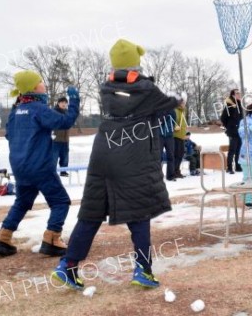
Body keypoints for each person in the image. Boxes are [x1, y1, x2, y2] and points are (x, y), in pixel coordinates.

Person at [52, 38, 180, 290]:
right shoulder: (146, 89)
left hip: (103, 150)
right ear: (136, 63)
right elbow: (171, 104)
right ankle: (143, 270)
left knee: (92, 212)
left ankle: (68, 265)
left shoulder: (106, 87)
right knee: (139, 212)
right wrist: (179, 97)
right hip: (133, 155)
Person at [0, 71, 80, 257]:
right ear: (34, 87)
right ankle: (52, 239)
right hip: (40, 167)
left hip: (20, 167)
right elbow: (64, 121)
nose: (44, 83)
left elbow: (9, 134)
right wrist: (74, 101)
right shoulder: (38, 108)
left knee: (22, 202)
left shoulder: (16, 112)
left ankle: (3, 237)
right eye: (40, 81)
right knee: (60, 201)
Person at [220, 89, 243, 174]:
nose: (239, 95)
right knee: (232, 149)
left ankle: (238, 166)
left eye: (239, 93)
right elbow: (223, 118)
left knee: (239, 149)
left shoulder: (240, 105)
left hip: (240, 131)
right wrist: (229, 126)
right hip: (232, 131)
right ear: (233, 95)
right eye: (237, 93)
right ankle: (229, 167)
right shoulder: (229, 105)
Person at [52, 97, 71, 177]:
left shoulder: (67, 113)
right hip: (55, 139)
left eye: (65, 102)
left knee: (65, 157)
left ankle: (63, 171)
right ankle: (52, 172)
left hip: (65, 139)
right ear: (58, 103)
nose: (64, 104)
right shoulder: (53, 112)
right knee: (53, 157)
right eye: (62, 102)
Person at [160, 108, 177, 181]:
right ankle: (158, 176)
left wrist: (171, 129)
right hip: (159, 135)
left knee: (171, 156)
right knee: (158, 157)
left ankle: (170, 175)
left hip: (169, 136)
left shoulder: (172, 110)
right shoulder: (158, 109)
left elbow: (174, 121)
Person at [173, 99, 187, 179]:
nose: (184, 104)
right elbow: (172, 121)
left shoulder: (183, 112)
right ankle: (174, 171)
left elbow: (183, 124)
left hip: (181, 136)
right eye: (183, 103)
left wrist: (186, 133)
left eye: (184, 103)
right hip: (176, 136)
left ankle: (177, 170)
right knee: (177, 154)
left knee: (181, 154)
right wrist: (175, 127)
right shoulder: (176, 111)